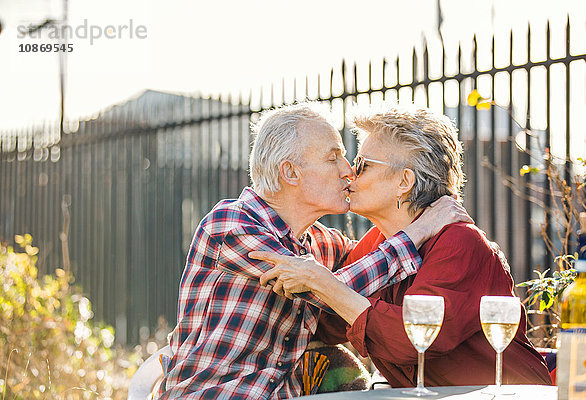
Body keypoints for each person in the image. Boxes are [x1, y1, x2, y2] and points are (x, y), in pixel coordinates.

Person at [155, 104, 471, 399]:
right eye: (333, 157)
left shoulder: (316, 243)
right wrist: (417, 231)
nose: (349, 171)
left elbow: (356, 271)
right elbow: (330, 292)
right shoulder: (232, 226)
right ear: (290, 173)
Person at [251, 107, 552, 388]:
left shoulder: (459, 243)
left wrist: (320, 281)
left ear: (404, 181)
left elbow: (409, 338)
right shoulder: (376, 244)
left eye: (362, 164)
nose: (350, 174)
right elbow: (326, 322)